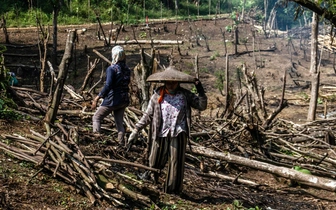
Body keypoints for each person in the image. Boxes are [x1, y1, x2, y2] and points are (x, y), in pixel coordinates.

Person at [127, 66, 207, 194]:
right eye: (168, 81)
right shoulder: (157, 95)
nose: (170, 84)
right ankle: (151, 178)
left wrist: (200, 90)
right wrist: (136, 130)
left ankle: (172, 190)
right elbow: (148, 115)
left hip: (178, 132)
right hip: (161, 132)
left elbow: (202, 106)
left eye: (173, 81)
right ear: (164, 82)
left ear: (178, 82)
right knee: (155, 159)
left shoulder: (185, 95)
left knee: (176, 162)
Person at [92, 45, 131, 146]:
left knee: (96, 117)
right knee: (119, 123)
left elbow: (108, 85)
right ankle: (121, 144)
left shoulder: (112, 69)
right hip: (124, 100)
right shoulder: (127, 69)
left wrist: (98, 97)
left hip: (113, 100)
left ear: (114, 56)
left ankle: (97, 142)